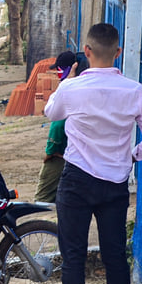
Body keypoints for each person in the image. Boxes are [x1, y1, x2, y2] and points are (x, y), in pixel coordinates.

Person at [41, 23, 142, 284]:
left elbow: (51, 112)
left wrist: (65, 82)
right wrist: (133, 155)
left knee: (73, 256)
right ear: (118, 52)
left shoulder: (72, 89)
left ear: (86, 51)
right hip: (115, 183)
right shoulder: (135, 92)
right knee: (115, 256)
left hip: (77, 181)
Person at [35, 51, 89, 203]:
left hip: (61, 154)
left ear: (73, 68)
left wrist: (51, 151)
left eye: (60, 69)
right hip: (81, 156)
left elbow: (57, 124)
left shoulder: (68, 90)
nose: (58, 73)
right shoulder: (88, 88)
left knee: (43, 197)